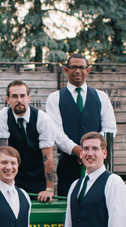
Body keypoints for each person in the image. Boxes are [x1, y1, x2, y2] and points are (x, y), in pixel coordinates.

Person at [45, 54, 117, 197]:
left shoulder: (101, 97)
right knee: (68, 206)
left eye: (81, 67)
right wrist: (76, 150)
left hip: (97, 165)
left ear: (88, 70)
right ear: (66, 70)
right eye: (73, 67)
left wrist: (91, 150)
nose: (77, 71)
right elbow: (55, 131)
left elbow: (110, 128)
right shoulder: (55, 98)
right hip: (68, 165)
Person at [0, 80, 56, 202]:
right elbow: (2, 153)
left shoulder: (43, 119)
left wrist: (49, 188)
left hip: (36, 178)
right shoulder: (2, 116)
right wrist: (3, 182)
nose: (19, 100)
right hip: (12, 173)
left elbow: (48, 157)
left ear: (29, 98)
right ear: (8, 100)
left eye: (22, 96)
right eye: (14, 96)